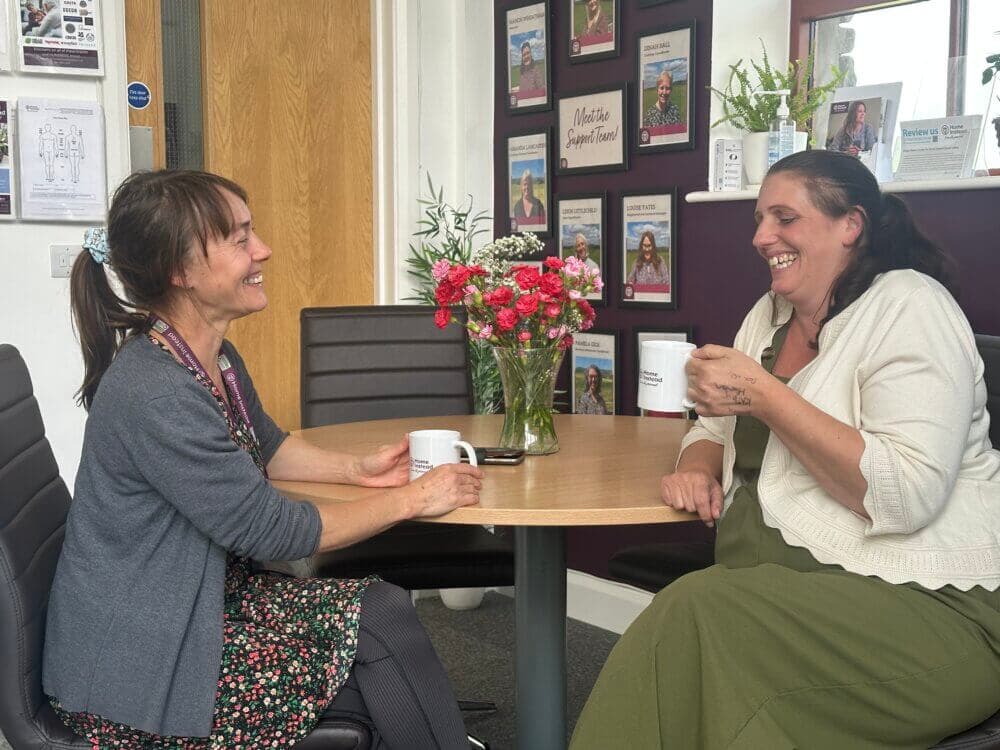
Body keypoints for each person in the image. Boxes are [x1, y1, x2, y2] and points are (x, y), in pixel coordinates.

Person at [43, 170, 487, 750]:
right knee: (379, 649)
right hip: (140, 667)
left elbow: (268, 446)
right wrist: (414, 500)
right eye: (239, 239)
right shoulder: (156, 391)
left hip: (199, 607)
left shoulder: (213, 357)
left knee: (382, 610)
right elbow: (277, 532)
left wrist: (359, 471)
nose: (263, 251)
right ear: (180, 272)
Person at [570, 150, 1000, 749]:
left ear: (850, 224)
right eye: (758, 219)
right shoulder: (769, 318)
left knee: (695, 612)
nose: (760, 237)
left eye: (783, 218)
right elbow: (713, 429)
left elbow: (905, 497)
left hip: (925, 605)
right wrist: (695, 467)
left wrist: (767, 397)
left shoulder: (909, 304)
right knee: (705, 655)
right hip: (784, 594)